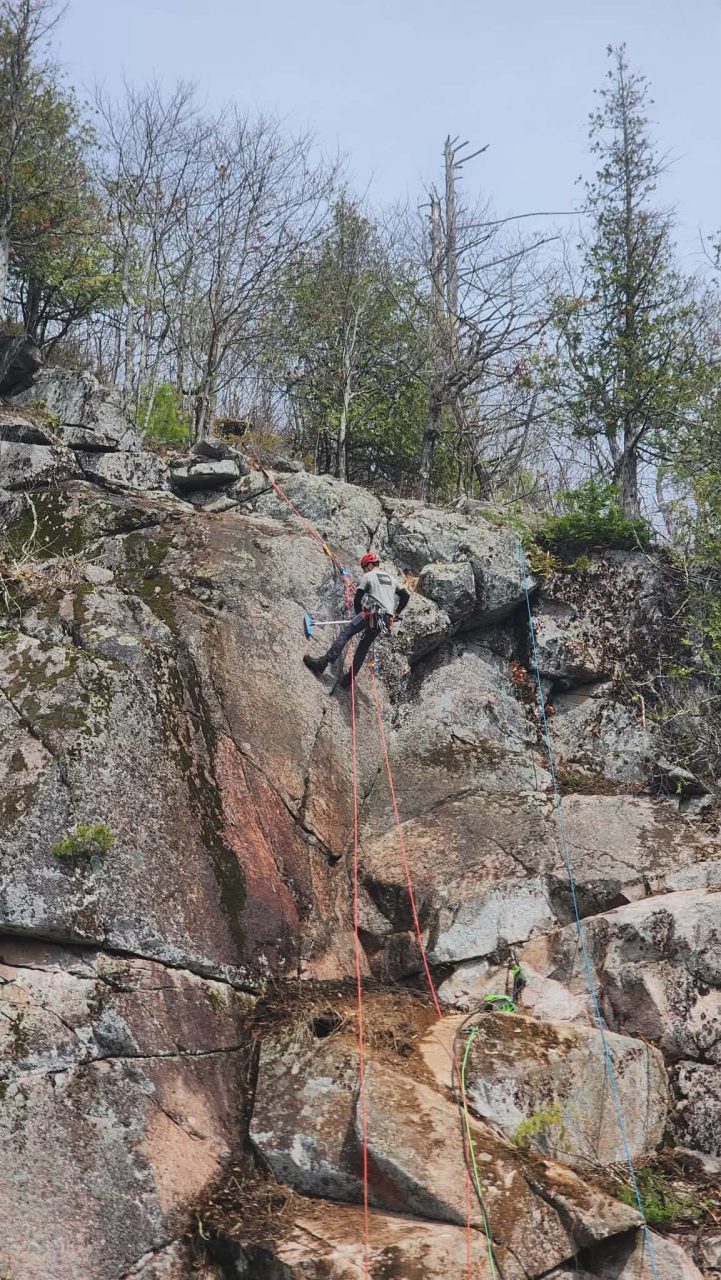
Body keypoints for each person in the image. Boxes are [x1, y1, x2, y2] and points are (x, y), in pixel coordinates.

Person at [303, 552, 410, 688]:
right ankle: (349, 679)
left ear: (370, 565)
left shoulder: (368, 576)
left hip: (371, 612)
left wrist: (359, 615)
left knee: (346, 633)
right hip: (385, 618)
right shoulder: (392, 579)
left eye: (364, 567)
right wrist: (396, 613)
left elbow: (357, 599)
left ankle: (323, 663)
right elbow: (405, 596)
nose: (364, 570)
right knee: (364, 646)